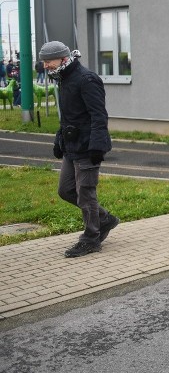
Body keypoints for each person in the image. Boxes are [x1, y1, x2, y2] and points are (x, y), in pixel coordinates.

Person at [39, 41, 119, 258]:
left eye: (49, 61)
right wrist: (59, 140)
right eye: (44, 62)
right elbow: (68, 116)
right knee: (66, 190)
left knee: (86, 193)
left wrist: (97, 146)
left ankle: (91, 238)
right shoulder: (64, 79)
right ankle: (104, 219)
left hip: (87, 147)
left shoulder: (86, 79)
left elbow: (98, 115)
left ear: (63, 59)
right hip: (71, 146)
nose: (45, 66)